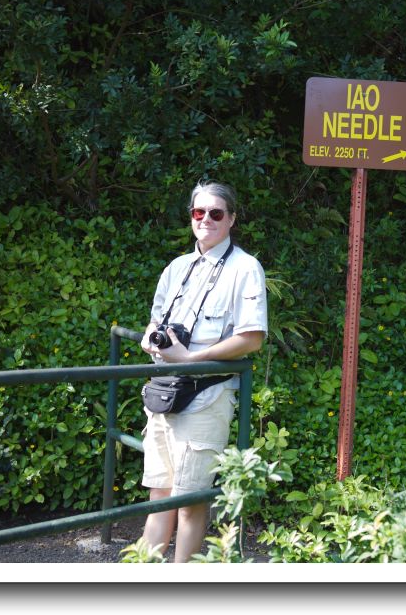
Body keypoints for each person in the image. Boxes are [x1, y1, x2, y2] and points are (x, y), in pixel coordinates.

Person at [138, 180, 267, 562]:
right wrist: (151, 339)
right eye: (199, 212)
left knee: (190, 501)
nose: (206, 220)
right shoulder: (177, 268)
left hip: (205, 397)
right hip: (163, 392)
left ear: (231, 219)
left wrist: (191, 359)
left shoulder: (245, 268)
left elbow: (252, 338)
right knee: (159, 493)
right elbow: (154, 322)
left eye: (216, 213)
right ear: (191, 217)